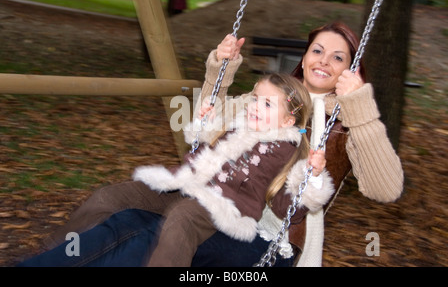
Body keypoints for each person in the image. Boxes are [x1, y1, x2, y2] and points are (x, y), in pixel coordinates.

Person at [19, 22, 404, 267]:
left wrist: (359, 107)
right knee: (113, 203)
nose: (324, 60)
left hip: (267, 236)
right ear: (303, 58)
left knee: (144, 231)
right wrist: (218, 69)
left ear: (349, 71)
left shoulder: (348, 123)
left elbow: (387, 189)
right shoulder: (264, 96)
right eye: (317, 50)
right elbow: (207, 123)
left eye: (339, 57)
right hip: (208, 196)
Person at [19, 68, 334, 267]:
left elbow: (284, 206)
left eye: (266, 104)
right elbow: (200, 160)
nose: (253, 106)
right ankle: (50, 253)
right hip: (188, 188)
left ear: (288, 120)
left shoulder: (288, 152)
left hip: (224, 210)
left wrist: (311, 179)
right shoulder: (237, 131)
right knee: (113, 196)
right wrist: (202, 128)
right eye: (254, 99)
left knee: (181, 219)